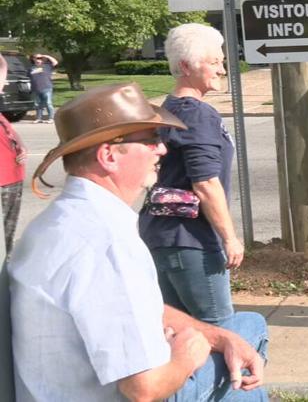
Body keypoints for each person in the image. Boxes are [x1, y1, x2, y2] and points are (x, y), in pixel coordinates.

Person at [10, 82, 268, 400]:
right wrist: (189, 353)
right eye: (151, 139)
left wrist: (215, 336)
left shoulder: (64, 219)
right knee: (247, 346)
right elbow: (143, 388)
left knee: (239, 333)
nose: (162, 149)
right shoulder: (106, 241)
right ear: (109, 155)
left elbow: (138, 307)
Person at [139, 23, 244, 324]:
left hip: (160, 235)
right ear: (186, 67)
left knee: (178, 332)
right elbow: (206, 183)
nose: (222, 70)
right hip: (192, 240)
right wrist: (230, 238)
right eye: (214, 62)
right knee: (218, 331)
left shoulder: (170, 108)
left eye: (221, 61)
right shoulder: (198, 115)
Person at [0, 53, 26, 252]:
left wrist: (21, 146)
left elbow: (3, 68)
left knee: (8, 235)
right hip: (3, 180)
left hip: (13, 176)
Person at [28, 52, 57, 123]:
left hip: (47, 87)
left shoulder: (47, 66)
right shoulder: (31, 68)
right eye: (37, 58)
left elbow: (55, 62)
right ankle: (39, 118)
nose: (39, 59)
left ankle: (51, 118)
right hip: (35, 89)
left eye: (40, 58)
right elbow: (28, 77)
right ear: (33, 59)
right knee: (37, 104)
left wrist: (46, 56)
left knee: (48, 103)